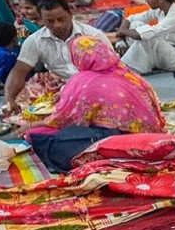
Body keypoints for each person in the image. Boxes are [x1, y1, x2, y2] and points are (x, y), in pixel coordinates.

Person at [26, 36, 166, 172]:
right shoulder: (128, 74)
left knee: (36, 135)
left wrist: (36, 124)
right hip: (148, 137)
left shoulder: (85, 80)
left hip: (111, 139)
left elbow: (63, 118)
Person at [4, 0, 110, 116]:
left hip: (94, 84)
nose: (57, 25)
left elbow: (112, 68)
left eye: (61, 19)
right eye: (50, 21)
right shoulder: (35, 40)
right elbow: (19, 72)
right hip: (59, 89)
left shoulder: (94, 35)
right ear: (41, 19)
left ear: (71, 14)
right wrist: (9, 100)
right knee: (20, 111)